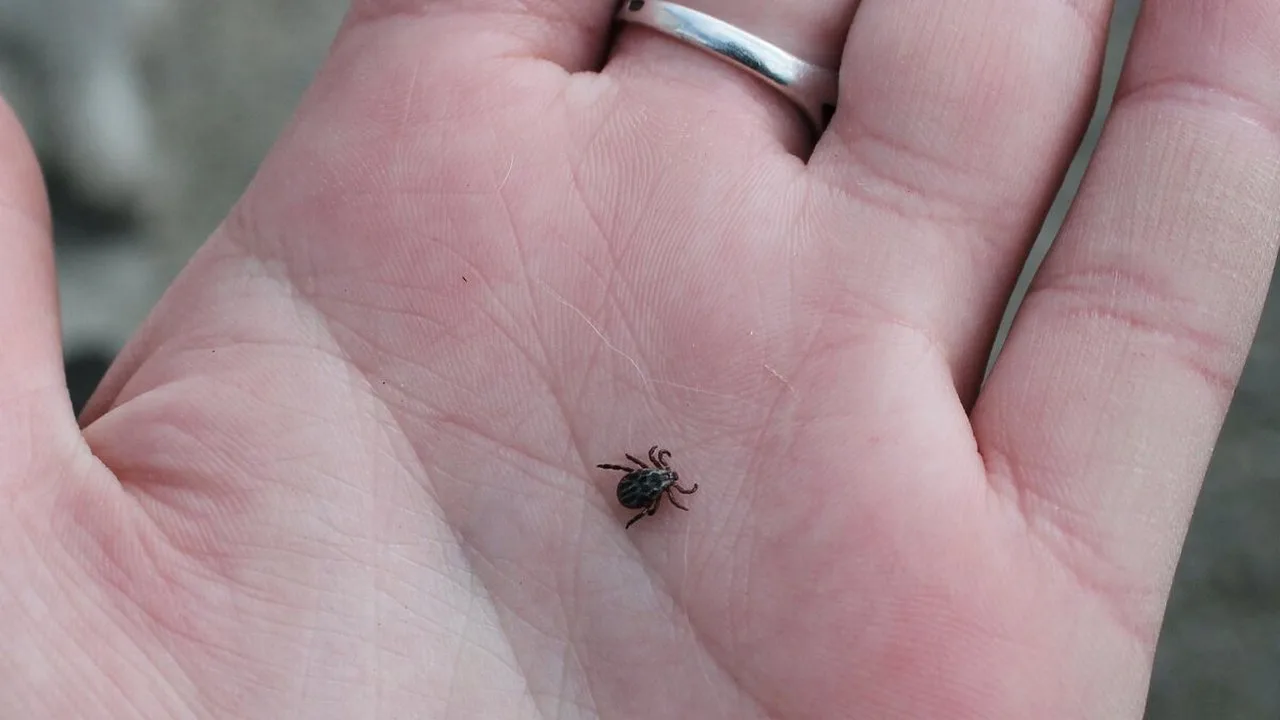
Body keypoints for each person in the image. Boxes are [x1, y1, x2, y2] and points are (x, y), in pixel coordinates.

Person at [2, 1, 1276, 717]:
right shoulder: (654, 488)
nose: (654, 486)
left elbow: (639, 485)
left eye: (652, 485)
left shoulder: (642, 484)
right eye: (654, 483)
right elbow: (648, 488)